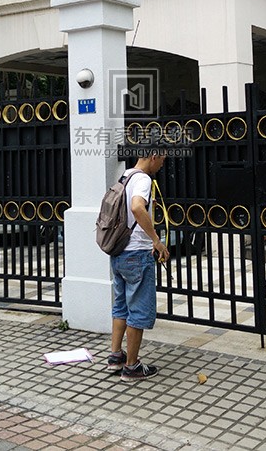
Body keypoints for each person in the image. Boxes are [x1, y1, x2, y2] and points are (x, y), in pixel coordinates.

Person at [106, 148, 170, 381]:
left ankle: (115, 356)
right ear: (153, 156)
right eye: (162, 159)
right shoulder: (143, 179)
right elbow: (136, 207)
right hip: (137, 253)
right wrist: (156, 241)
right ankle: (132, 366)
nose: (162, 165)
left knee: (121, 305)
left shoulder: (125, 176)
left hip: (119, 251)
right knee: (138, 310)